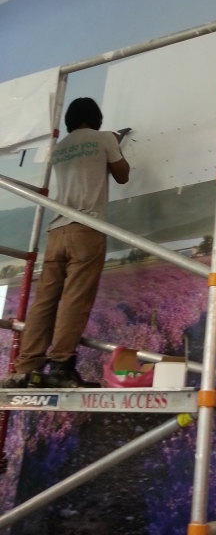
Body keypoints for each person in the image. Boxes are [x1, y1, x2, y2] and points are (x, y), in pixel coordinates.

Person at [2, 98, 129, 389]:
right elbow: (122, 176)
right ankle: (61, 366)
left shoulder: (59, 148)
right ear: (96, 117)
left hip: (56, 231)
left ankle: (26, 368)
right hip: (86, 227)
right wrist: (115, 145)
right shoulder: (105, 138)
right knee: (75, 299)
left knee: (44, 302)